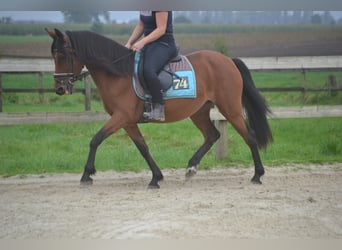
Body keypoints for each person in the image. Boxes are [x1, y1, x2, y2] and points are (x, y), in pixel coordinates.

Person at [125, 11, 177, 121]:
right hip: (150, 45)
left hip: (164, 44)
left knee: (148, 70)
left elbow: (161, 29)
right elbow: (141, 25)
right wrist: (129, 43)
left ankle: (158, 108)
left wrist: (142, 42)